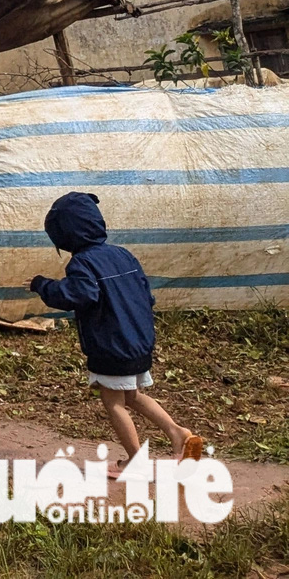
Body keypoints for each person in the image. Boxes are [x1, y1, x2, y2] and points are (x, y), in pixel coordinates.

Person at [29, 191, 203, 460]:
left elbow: (78, 294)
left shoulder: (82, 263)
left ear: (62, 236)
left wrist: (42, 285)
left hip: (112, 346)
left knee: (113, 403)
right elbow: (146, 294)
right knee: (131, 396)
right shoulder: (123, 255)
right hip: (139, 342)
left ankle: (136, 461)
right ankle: (178, 433)